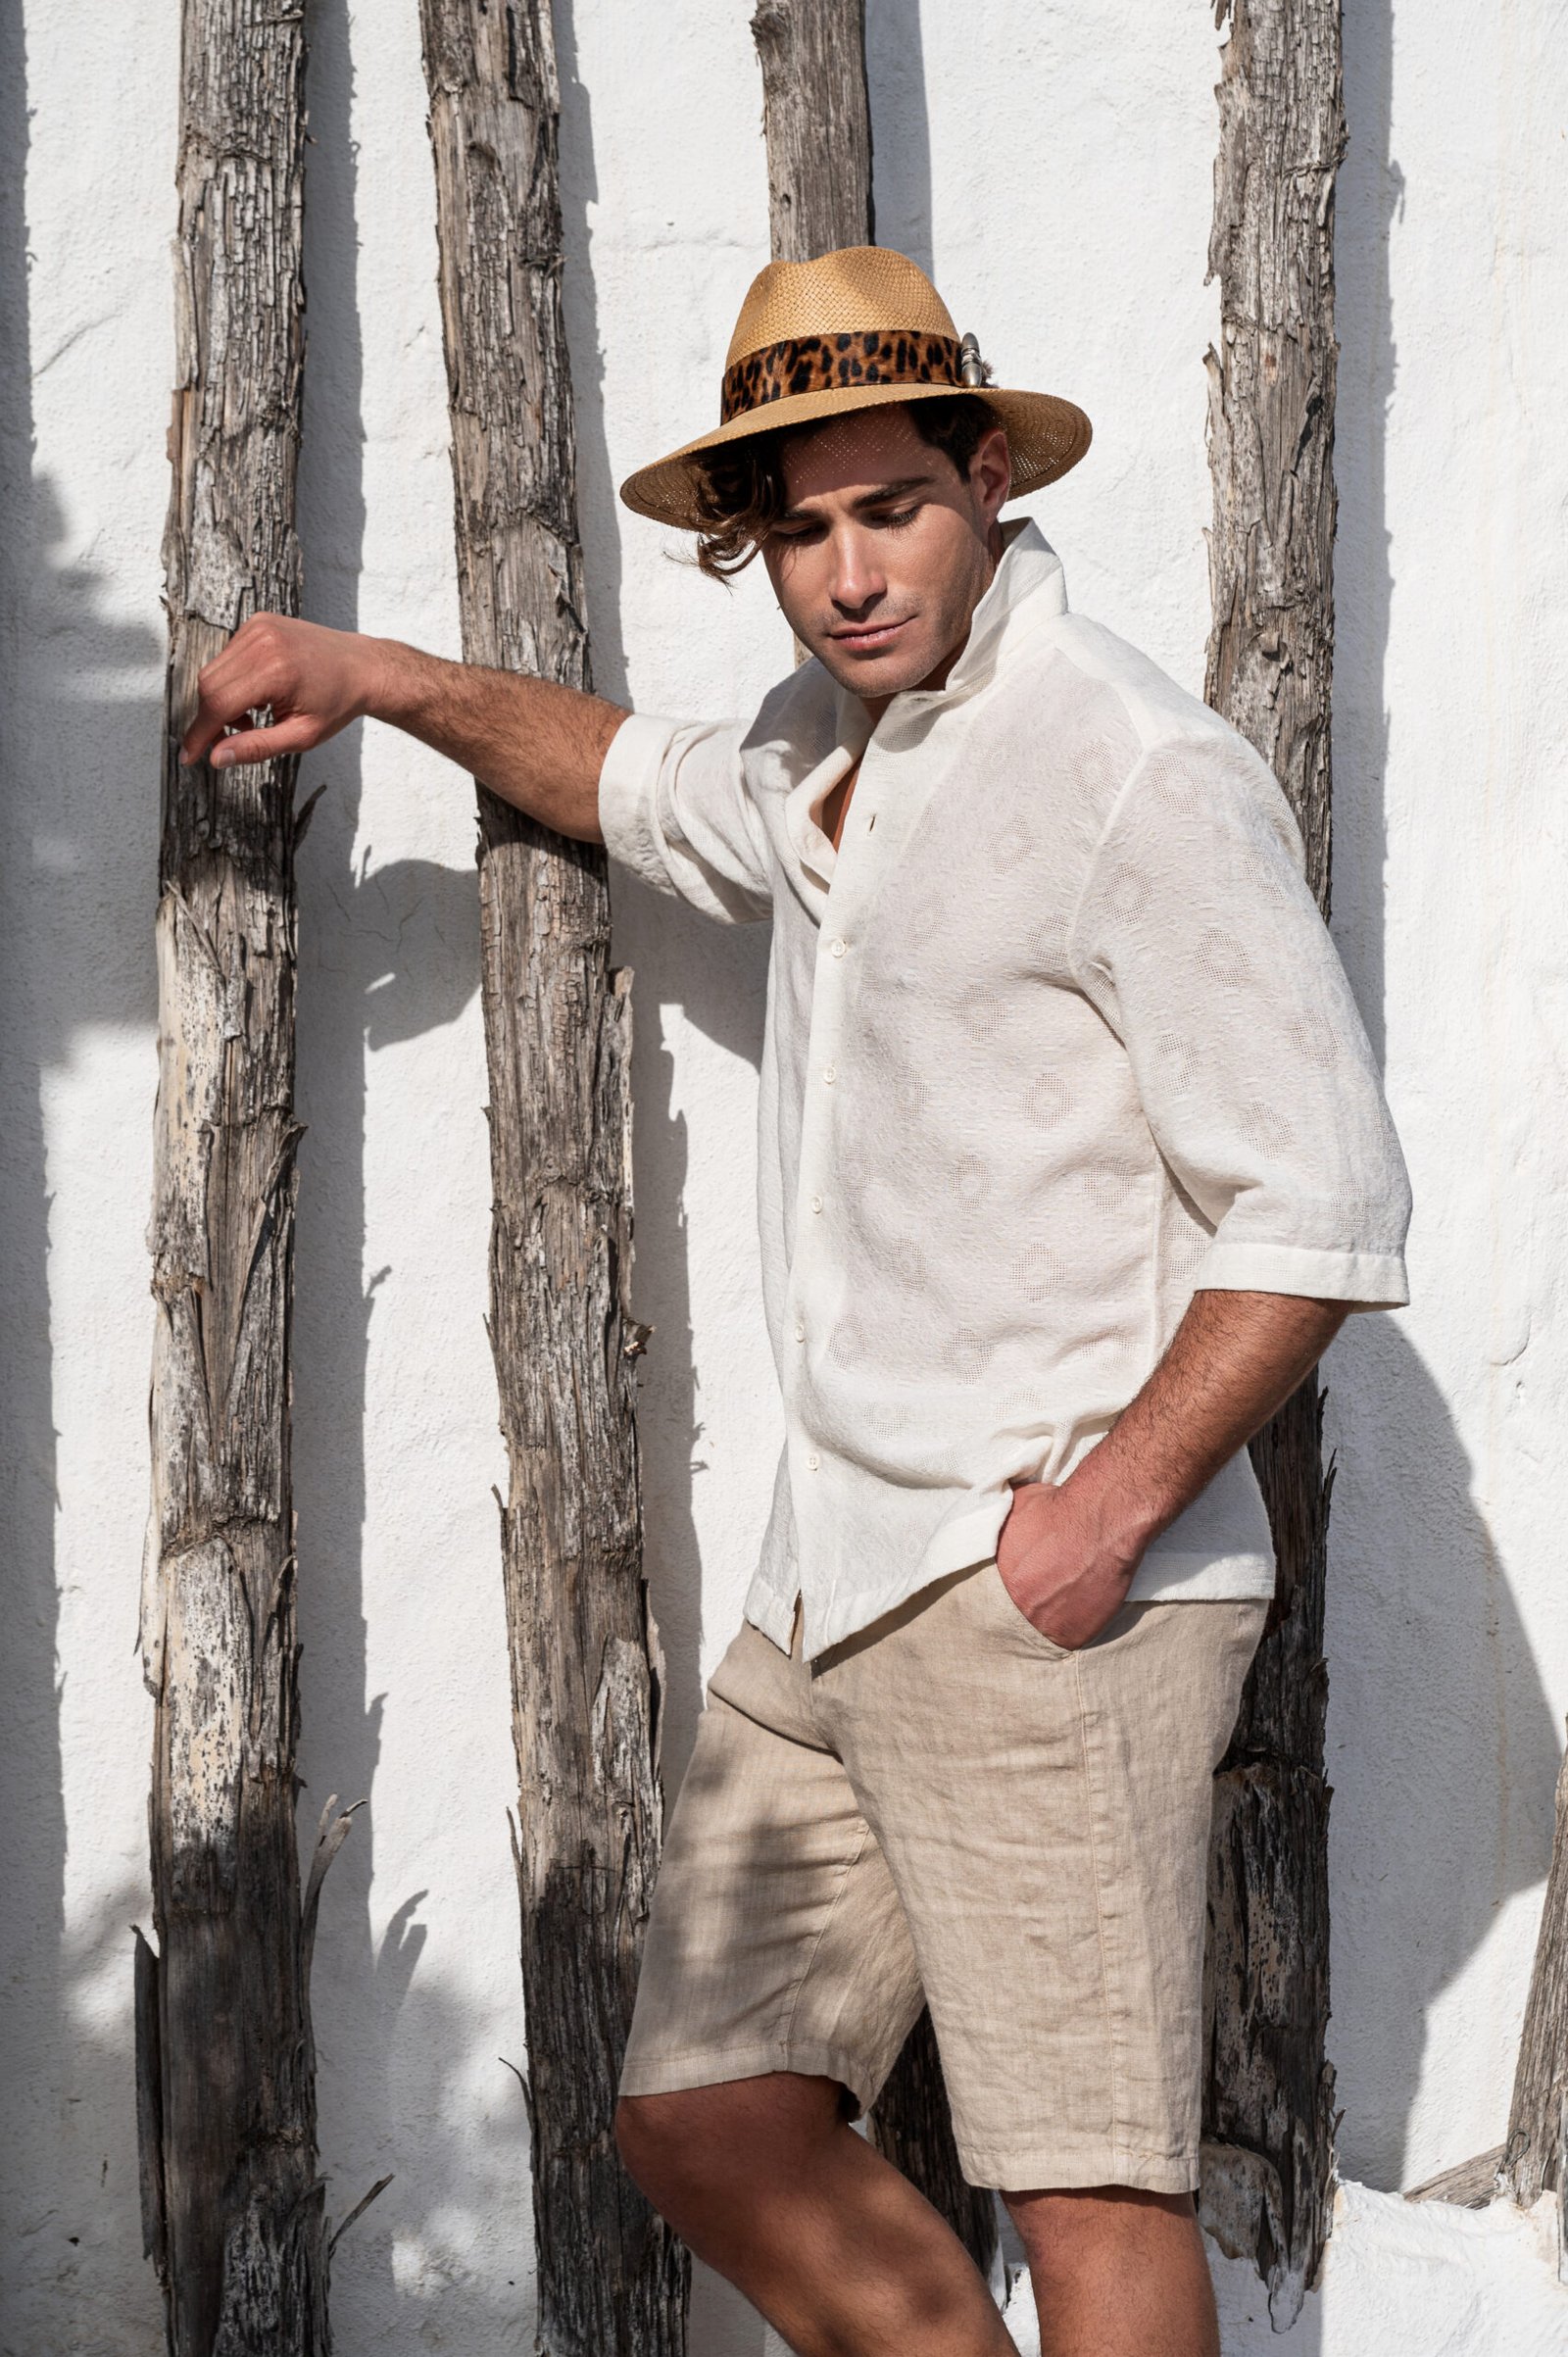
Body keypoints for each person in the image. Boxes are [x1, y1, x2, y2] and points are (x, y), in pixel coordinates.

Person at [182, 246, 1411, 2357]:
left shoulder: (1130, 764)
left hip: (1042, 1590)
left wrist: (1098, 1519)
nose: (847, 574)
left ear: (987, 482)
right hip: (826, 1577)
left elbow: (1317, 1200)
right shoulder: (818, 756)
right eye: (801, 531)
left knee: (1089, 2190)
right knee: (705, 2116)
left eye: (891, 509)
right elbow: (626, 775)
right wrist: (375, 676)